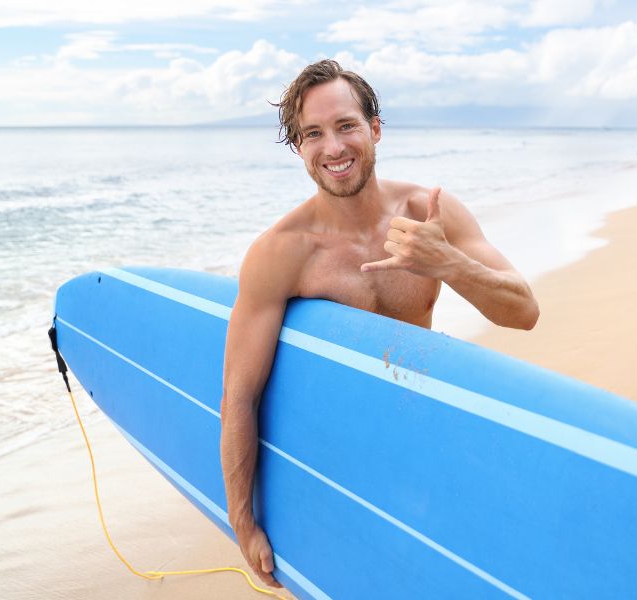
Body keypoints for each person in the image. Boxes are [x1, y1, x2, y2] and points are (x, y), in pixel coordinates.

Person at [219, 59, 539, 588]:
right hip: (340, 444)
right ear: (299, 147)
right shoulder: (282, 254)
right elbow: (239, 395)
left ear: (375, 128)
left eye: (346, 125)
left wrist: (448, 264)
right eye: (313, 134)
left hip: (425, 421)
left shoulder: (429, 211)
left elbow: (524, 312)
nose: (333, 148)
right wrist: (243, 521)